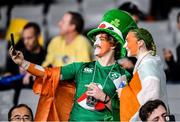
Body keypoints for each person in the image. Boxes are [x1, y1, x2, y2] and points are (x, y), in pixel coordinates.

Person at [9, 9, 137, 121]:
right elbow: (48, 73)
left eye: (101, 39)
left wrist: (104, 98)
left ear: (113, 44)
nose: (95, 43)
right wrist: (23, 63)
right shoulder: (80, 68)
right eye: (95, 39)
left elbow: (126, 112)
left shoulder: (122, 75)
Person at [119, 28, 168, 121]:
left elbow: (151, 106)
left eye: (127, 41)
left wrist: (123, 92)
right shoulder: (148, 64)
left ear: (140, 43)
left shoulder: (147, 67)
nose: (125, 46)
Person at [4, 22, 46, 105]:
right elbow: (8, 70)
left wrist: (32, 72)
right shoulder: (19, 53)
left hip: (34, 96)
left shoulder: (46, 56)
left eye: (29, 38)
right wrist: (8, 74)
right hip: (15, 93)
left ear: (38, 36)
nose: (26, 41)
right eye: (24, 39)